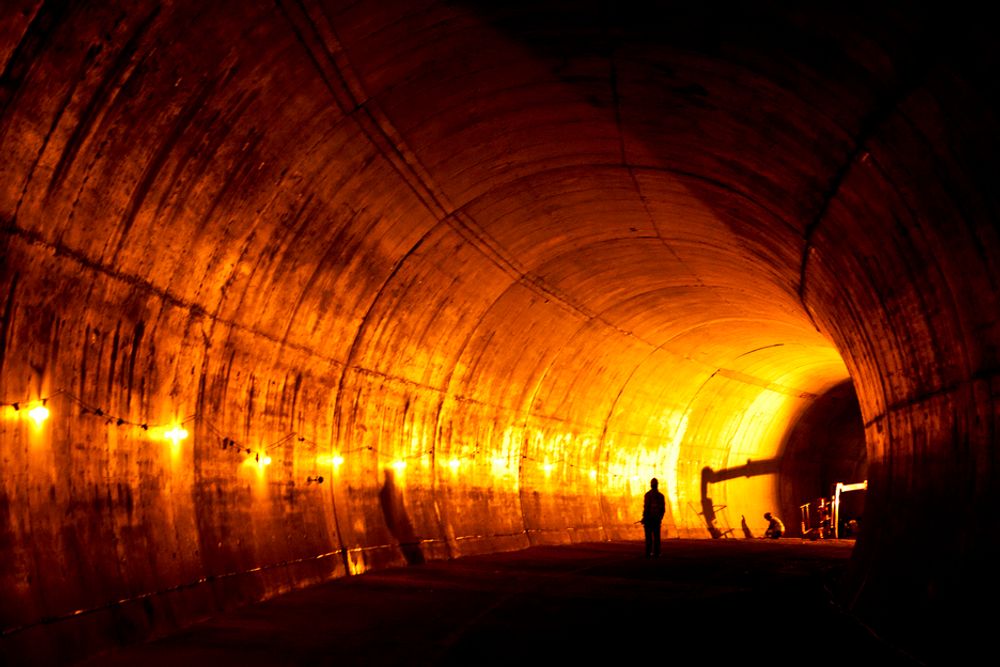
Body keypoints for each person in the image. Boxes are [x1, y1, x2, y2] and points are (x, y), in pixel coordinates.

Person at [642, 478, 666, 557]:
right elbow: (663, 509)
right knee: (656, 537)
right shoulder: (661, 496)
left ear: (651, 485)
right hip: (656, 520)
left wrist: (644, 518)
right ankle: (657, 552)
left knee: (648, 538)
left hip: (649, 520)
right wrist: (660, 518)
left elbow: (646, 508)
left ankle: (648, 553)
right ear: (657, 485)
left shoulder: (648, 495)